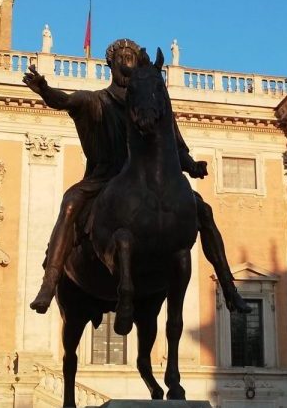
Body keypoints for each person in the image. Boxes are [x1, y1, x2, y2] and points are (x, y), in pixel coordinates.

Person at [23, 38, 250, 315]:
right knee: (70, 202)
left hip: (150, 182)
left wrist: (191, 165)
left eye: (131, 56)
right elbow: (66, 100)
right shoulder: (97, 100)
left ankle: (228, 286)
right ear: (111, 64)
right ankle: (49, 281)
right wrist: (45, 90)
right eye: (121, 56)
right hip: (106, 177)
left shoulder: (151, 100)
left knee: (202, 209)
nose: (127, 61)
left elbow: (173, 145)